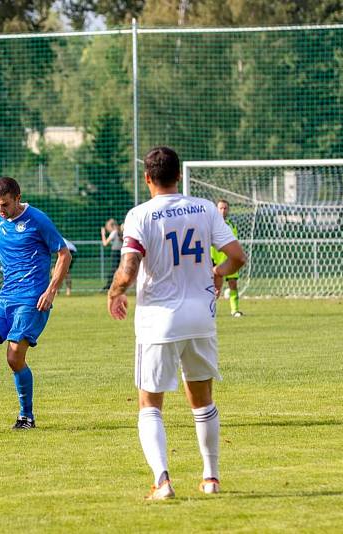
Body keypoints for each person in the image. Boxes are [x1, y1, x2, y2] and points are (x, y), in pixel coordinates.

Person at [107, 147, 246, 500]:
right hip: (201, 316)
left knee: (150, 404)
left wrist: (115, 292)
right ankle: (211, 478)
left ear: (147, 178)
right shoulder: (204, 209)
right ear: (179, 175)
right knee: (202, 401)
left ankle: (163, 481)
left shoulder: (140, 214)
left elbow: (129, 269)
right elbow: (237, 258)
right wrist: (217, 272)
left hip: (159, 321)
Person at [0, 177, 71, 429]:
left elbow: (64, 254)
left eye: (5, 204)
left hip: (32, 299)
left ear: (18, 198)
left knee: (14, 357)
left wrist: (51, 290)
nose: (0, 210)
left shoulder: (38, 220)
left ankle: (26, 416)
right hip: (5, 296)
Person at [210, 200, 243, 317]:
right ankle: (209, 310)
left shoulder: (231, 226)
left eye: (225, 208)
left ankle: (235, 310)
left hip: (228, 260)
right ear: (216, 209)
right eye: (220, 208)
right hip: (214, 260)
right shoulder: (211, 224)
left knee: (233, 284)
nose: (223, 210)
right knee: (212, 287)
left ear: (228, 210)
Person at [101, 218, 122, 290]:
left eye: (107, 227)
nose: (107, 229)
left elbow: (105, 243)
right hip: (121, 252)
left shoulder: (114, 232)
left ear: (111, 226)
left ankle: (108, 286)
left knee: (113, 270)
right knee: (118, 269)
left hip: (115, 252)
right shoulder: (120, 231)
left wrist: (103, 234)